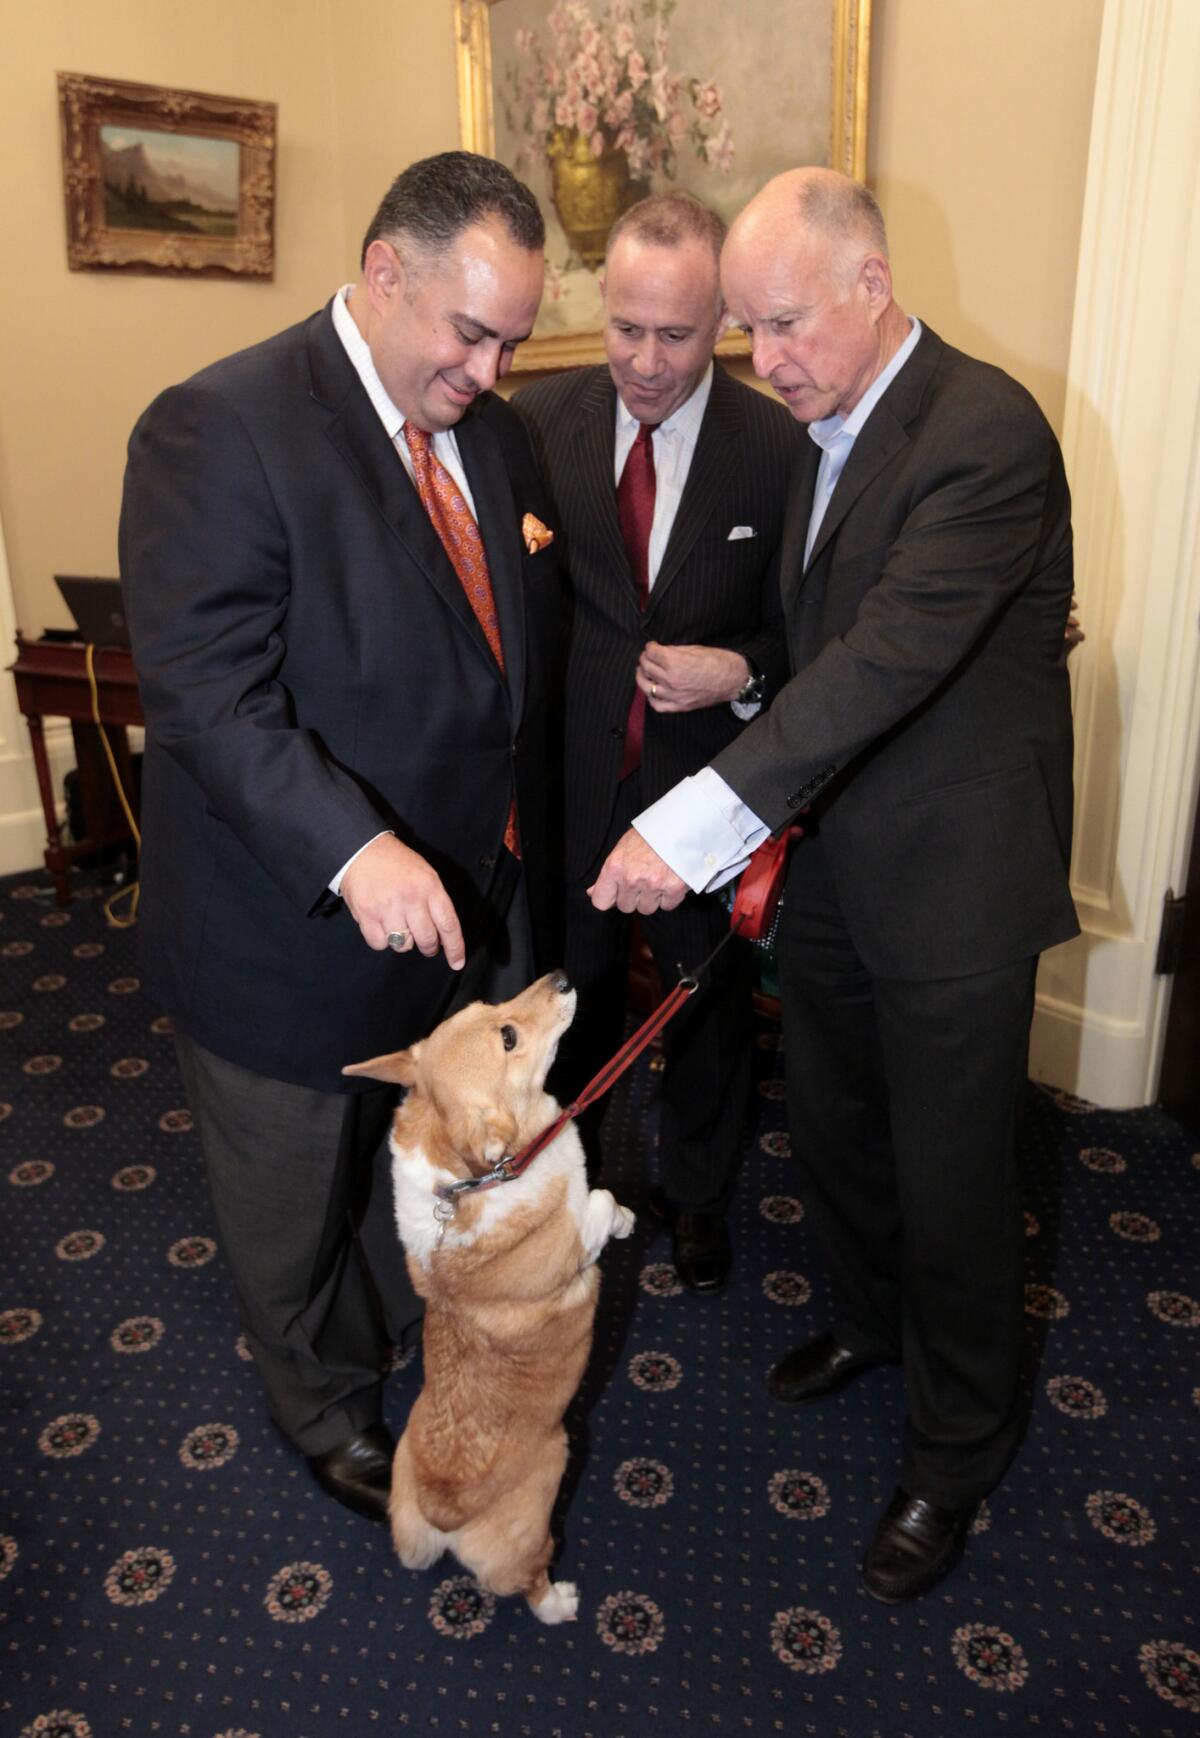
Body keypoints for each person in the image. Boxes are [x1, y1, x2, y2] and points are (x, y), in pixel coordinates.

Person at [589, 168, 1078, 1599]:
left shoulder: (985, 430)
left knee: (955, 1177)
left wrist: (692, 826)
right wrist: (752, 682)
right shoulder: (824, 434)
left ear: (873, 281)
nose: (764, 360)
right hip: (842, 872)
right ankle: (869, 1321)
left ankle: (956, 1446)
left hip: (957, 885)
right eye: (747, 331)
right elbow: (819, 649)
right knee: (842, 1136)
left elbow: (889, 660)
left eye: (784, 322)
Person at [119, 152, 560, 1524]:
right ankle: (313, 1404)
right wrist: (355, 851)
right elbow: (206, 695)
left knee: (405, 1163)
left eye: (511, 340)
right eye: (468, 331)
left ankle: (376, 1329)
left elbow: (499, 658)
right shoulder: (220, 425)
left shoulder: (492, 431)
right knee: (288, 1200)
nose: (489, 370)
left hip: (455, 915)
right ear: (384, 273)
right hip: (287, 928)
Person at [513, 193, 798, 1293]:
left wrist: (744, 669)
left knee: (707, 1013)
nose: (641, 359)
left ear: (724, 319)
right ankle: (560, 1191)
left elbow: (812, 628)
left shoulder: (777, 447)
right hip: (573, 779)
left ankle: (697, 1198)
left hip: (702, 794)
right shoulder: (541, 421)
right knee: (565, 1002)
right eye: (625, 326)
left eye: (673, 335)